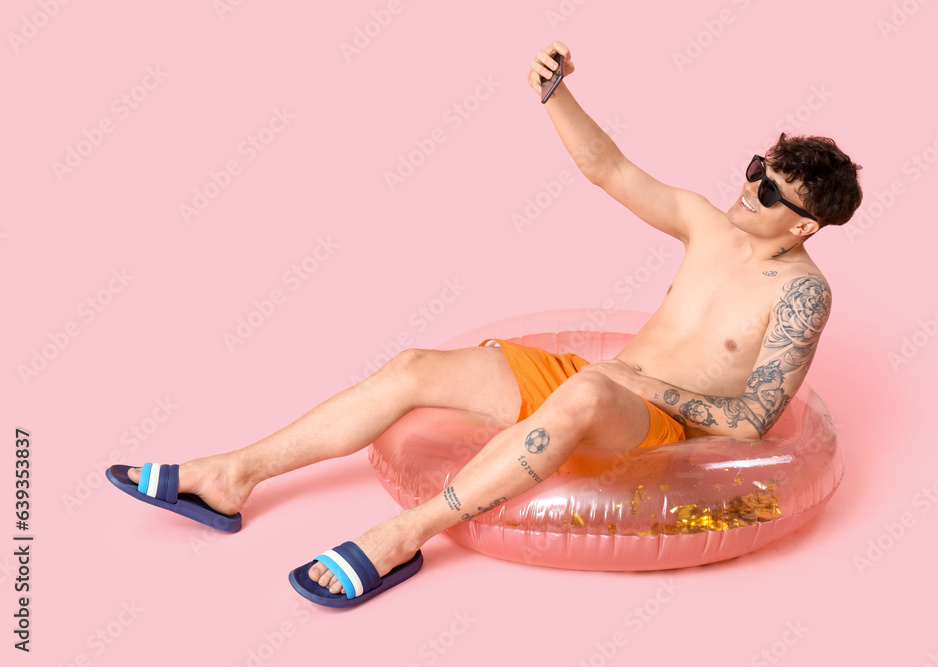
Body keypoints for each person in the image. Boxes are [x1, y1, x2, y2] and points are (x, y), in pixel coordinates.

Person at [109, 41, 862, 606]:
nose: (748, 188)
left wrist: (645, 388)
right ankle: (230, 477)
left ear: (804, 228)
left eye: (769, 192)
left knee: (589, 397)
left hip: (650, 423)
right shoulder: (706, 221)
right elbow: (610, 169)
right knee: (413, 367)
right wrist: (556, 94)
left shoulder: (800, 296)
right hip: (594, 381)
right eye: (755, 168)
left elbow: (755, 421)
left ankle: (403, 537)